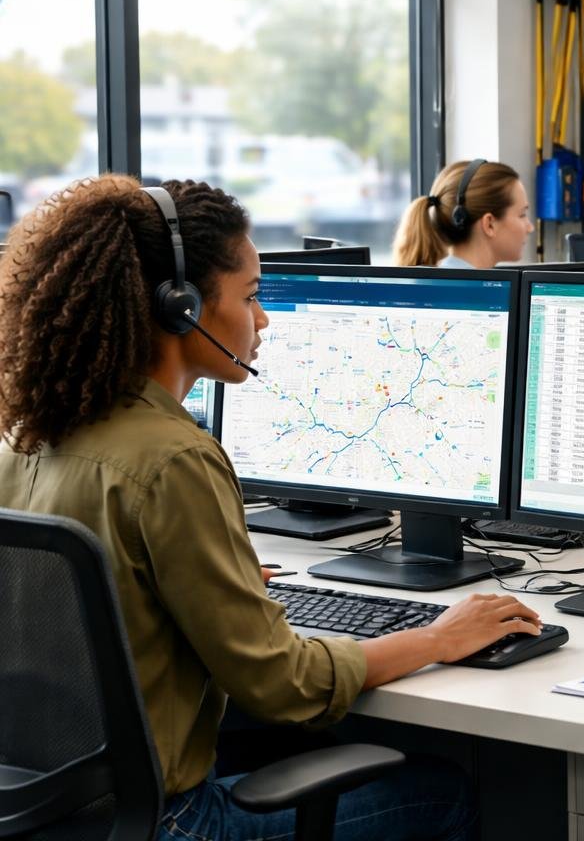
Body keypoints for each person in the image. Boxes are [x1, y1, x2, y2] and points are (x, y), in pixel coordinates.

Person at [0, 176, 545, 841]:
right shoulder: (174, 459)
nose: (262, 320)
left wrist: (216, 595)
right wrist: (438, 637)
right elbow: (283, 686)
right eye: (251, 296)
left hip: (49, 817)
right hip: (172, 824)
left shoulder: (21, 438)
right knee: (445, 793)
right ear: (180, 308)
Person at [393, 158, 533, 268]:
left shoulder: (441, 282)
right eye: (522, 215)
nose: (530, 228)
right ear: (489, 224)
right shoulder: (480, 293)